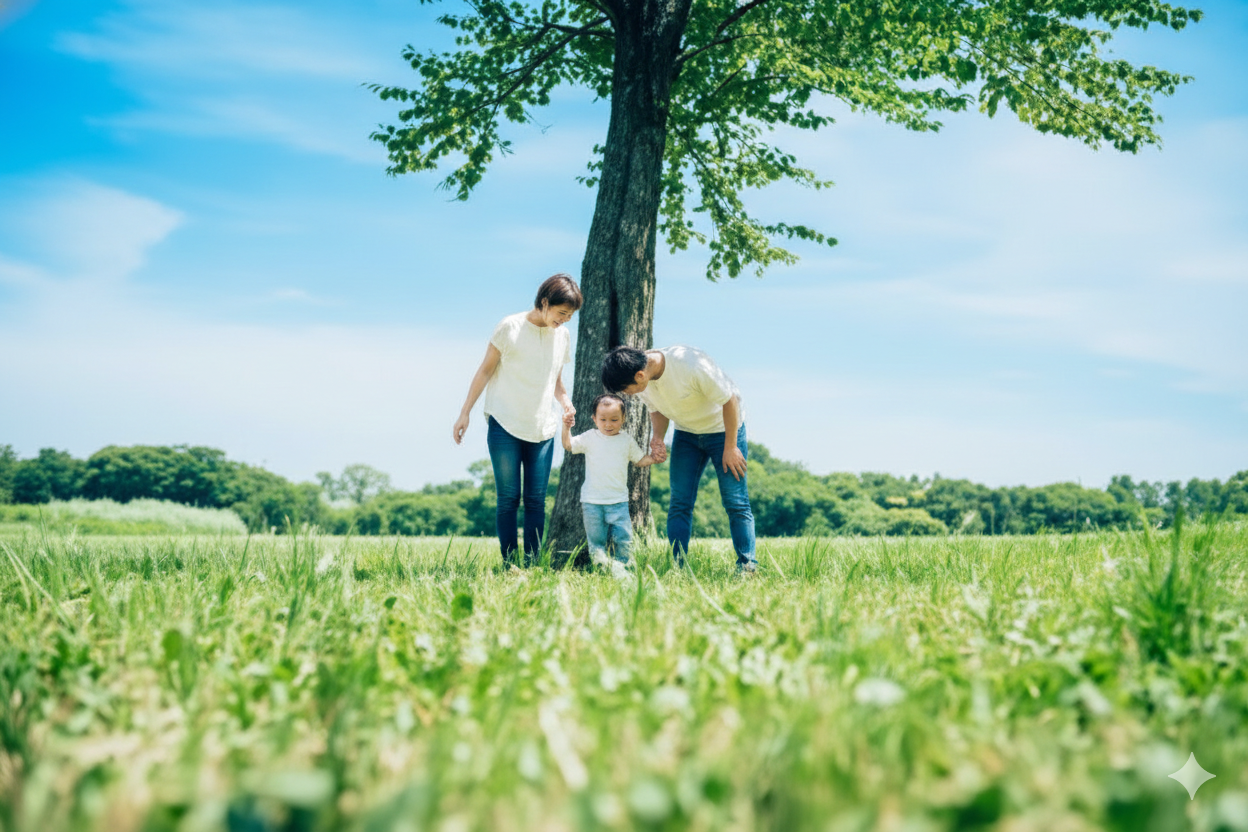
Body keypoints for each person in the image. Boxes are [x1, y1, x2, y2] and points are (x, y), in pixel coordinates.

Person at [453, 274, 582, 567]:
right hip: (505, 423)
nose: (564, 320)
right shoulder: (509, 327)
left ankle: (533, 564)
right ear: (545, 302)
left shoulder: (562, 336)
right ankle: (510, 565)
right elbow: (484, 371)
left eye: (570, 316)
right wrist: (465, 412)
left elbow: (556, 381)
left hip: (542, 427)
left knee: (536, 500)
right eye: (562, 313)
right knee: (509, 497)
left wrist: (565, 402)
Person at [601, 345, 757, 573]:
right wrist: (657, 438)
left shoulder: (691, 365)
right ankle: (679, 567)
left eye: (628, 390)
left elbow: (730, 400)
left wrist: (731, 446)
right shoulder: (641, 378)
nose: (629, 395)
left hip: (724, 430)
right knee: (679, 503)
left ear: (640, 375)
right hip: (687, 434)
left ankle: (747, 566)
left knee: (735, 501)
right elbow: (657, 408)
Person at [561, 393, 658, 577]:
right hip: (592, 502)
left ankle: (624, 572)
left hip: (619, 503)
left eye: (614, 419)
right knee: (596, 543)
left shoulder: (626, 440)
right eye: (603, 419)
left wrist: (654, 458)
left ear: (623, 419)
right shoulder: (590, 437)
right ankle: (602, 570)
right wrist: (566, 428)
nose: (608, 424)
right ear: (594, 419)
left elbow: (639, 460)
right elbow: (568, 445)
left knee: (624, 540)